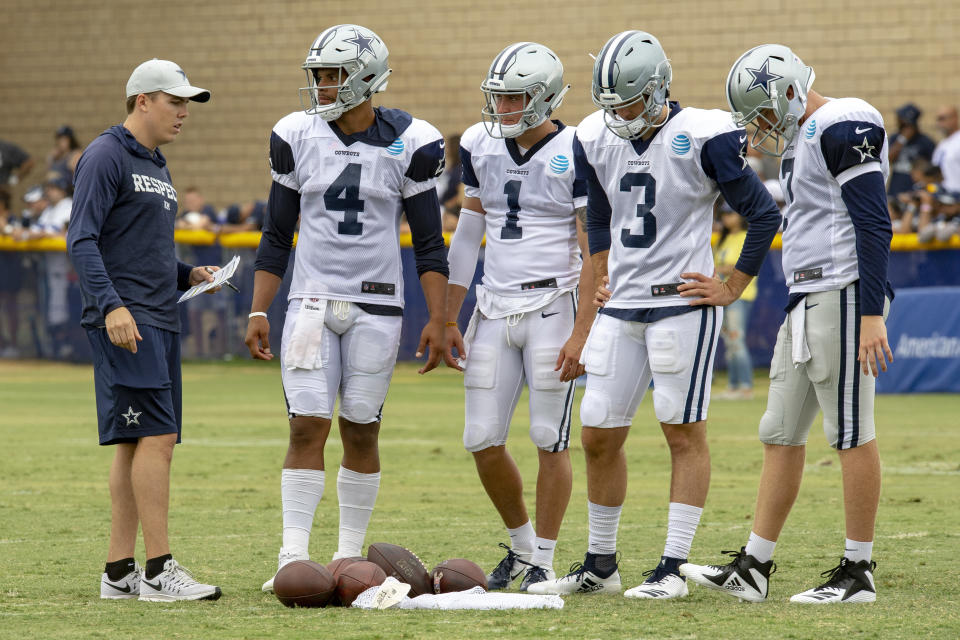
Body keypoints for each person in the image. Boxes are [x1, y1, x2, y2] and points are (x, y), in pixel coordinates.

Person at [528, 31, 781, 600]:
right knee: (597, 434)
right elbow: (597, 210)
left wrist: (733, 285)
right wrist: (599, 270)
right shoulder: (593, 134)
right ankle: (600, 563)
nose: (618, 115)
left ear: (660, 88)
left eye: (631, 102)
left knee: (681, 429)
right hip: (621, 304)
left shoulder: (705, 133)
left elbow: (764, 214)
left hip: (681, 302)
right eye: (610, 103)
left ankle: (672, 565)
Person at [680, 43, 894, 605]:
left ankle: (858, 570)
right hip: (807, 298)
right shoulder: (803, 137)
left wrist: (871, 312)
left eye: (763, 115)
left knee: (850, 430)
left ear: (792, 91)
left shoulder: (843, 122)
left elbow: (873, 224)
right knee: (779, 432)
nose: (759, 130)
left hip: (844, 292)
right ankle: (755, 566)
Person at [246, 24, 453, 593]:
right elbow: (276, 233)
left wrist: (439, 319)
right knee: (306, 425)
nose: (322, 85)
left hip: (378, 306)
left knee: (362, 430)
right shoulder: (295, 134)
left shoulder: (412, 140)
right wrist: (259, 310)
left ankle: (345, 559)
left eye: (332, 74)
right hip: (311, 301)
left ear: (366, 77)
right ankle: (292, 556)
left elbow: (430, 244)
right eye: (318, 75)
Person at [66, 58, 222, 602]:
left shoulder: (156, 164)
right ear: (142, 102)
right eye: (174, 101)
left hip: (159, 316)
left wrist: (189, 274)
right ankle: (159, 570)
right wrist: (110, 306)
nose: (183, 112)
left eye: (187, 103)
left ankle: (118, 573)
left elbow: (138, 246)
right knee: (157, 438)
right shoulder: (106, 154)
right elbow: (81, 239)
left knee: (137, 442)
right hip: (127, 321)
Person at [443, 42, 595, 592]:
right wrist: (447, 314)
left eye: (515, 98)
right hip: (493, 304)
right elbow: (466, 232)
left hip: (554, 302)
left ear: (547, 97)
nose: (503, 108)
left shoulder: (579, 146)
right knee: (481, 437)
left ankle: (546, 559)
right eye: (499, 97)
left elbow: (591, 246)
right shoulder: (478, 143)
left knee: (548, 436)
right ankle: (525, 545)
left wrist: (583, 331)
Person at [714, 201, 757, 399]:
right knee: (729, 342)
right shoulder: (723, 239)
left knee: (736, 340)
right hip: (722, 295)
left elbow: (738, 266)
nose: (727, 218)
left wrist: (721, 269)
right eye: (724, 214)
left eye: (731, 214)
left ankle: (746, 386)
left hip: (741, 295)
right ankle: (733, 386)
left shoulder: (745, 236)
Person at [886, 104, 935, 198]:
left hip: (916, 193)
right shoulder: (895, 138)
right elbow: (888, 160)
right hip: (895, 190)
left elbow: (933, 170)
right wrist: (902, 139)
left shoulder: (925, 142)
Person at [932, 106, 960, 193]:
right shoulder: (942, 144)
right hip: (942, 194)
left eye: (942, 119)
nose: (939, 123)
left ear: (954, 119)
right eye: (938, 119)